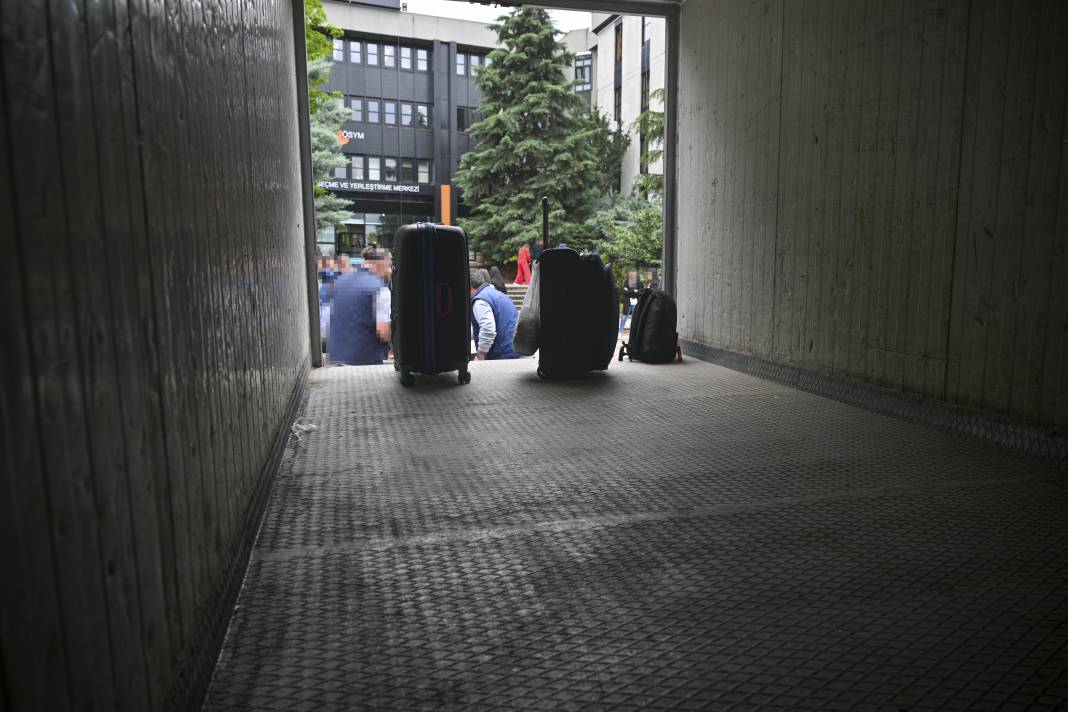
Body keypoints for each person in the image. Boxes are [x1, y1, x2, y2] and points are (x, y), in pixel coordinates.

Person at [328, 246, 391, 365]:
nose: (390, 269)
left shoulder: (339, 282)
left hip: (337, 360)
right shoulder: (380, 289)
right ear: (382, 262)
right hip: (366, 362)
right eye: (389, 264)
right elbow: (384, 332)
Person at [470, 269, 519, 360]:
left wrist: (480, 354)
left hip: (502, 354)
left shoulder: (480, 301)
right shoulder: (496, 294)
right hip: (513, 348)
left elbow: (488, 329)